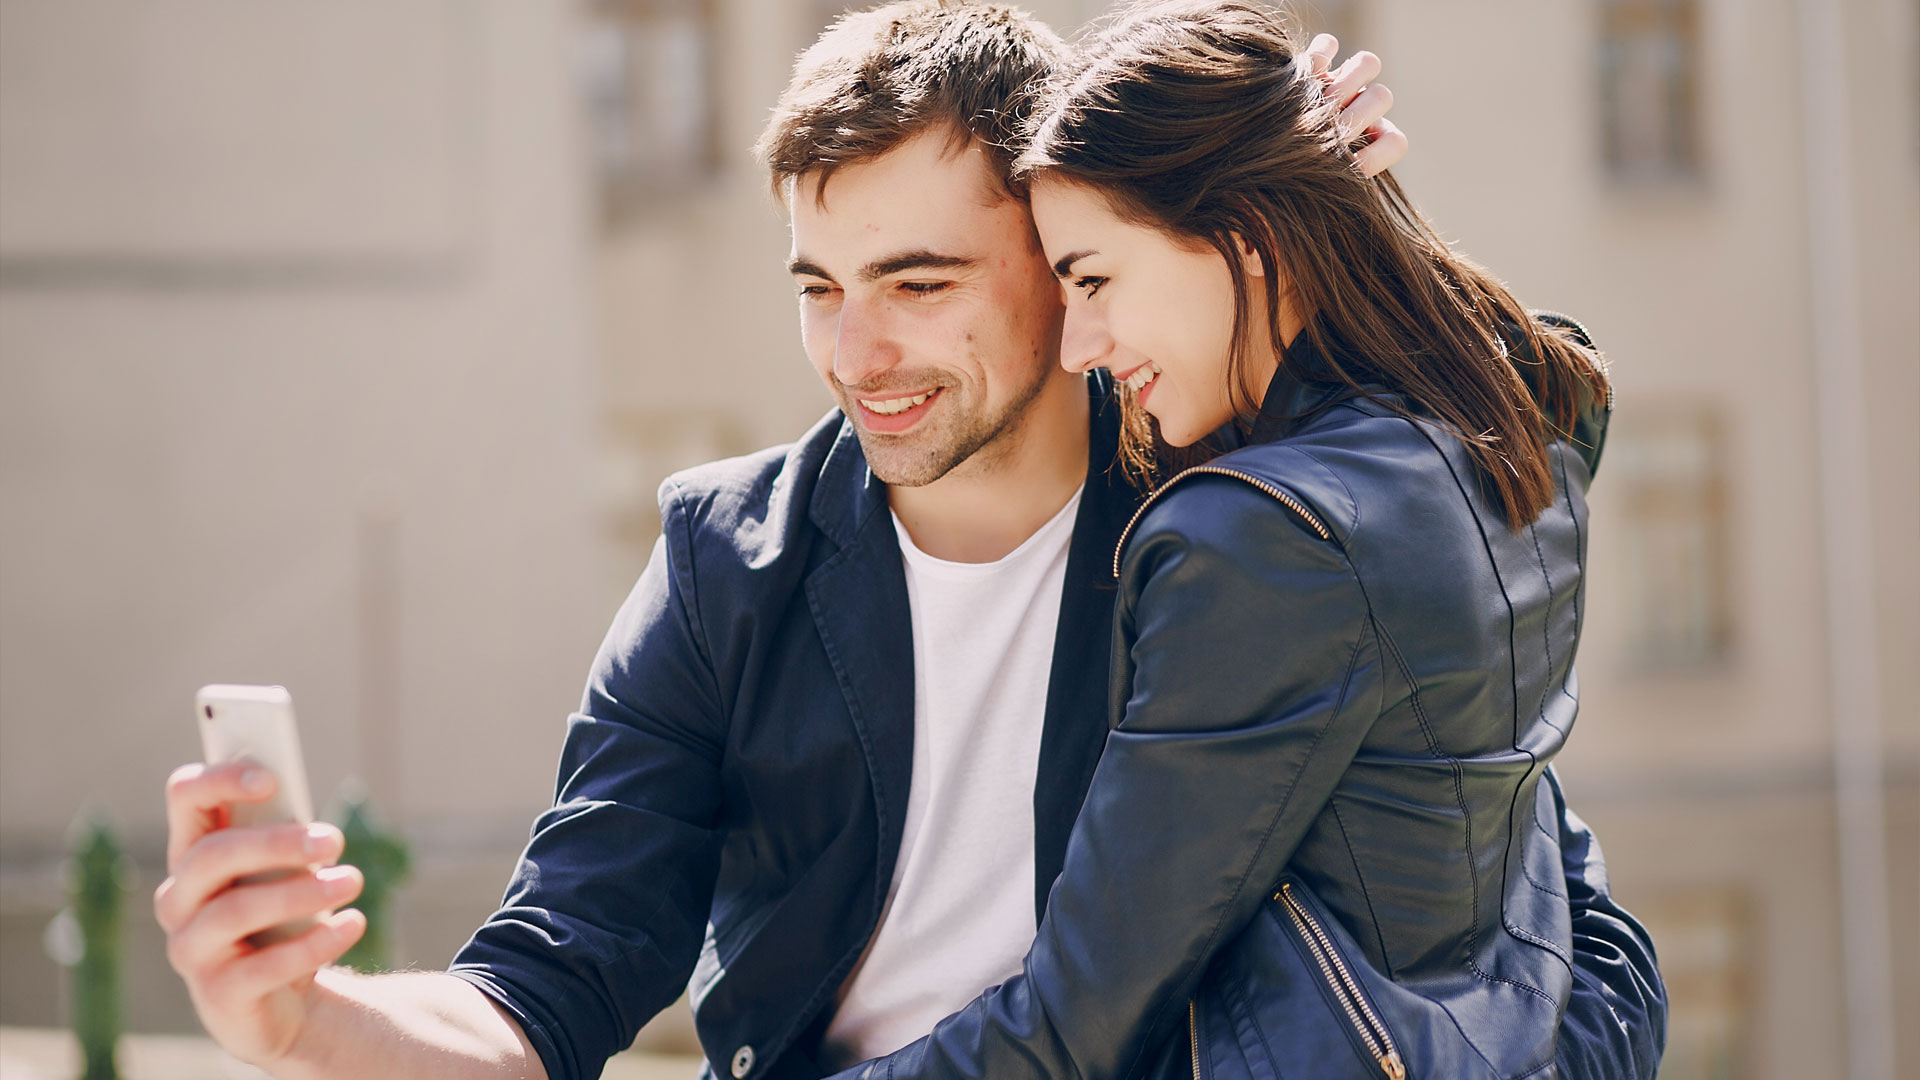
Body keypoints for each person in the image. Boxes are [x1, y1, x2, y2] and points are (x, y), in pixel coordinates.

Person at [152, 5, 1663, 1080]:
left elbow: (1511, 469)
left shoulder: (1235, 515)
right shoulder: (724, 568)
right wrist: (309, 1023)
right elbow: (552, 980)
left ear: (1068, 254)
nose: (855, 353)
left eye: (921, 281)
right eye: (819, 285)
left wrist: (1322, 207)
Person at [818, 2, 1648, 1079]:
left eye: (1095, 279)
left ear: (1247, 240)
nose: (1080, 346)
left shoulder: (1262, 543)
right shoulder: (1518, 427)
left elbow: (1072, 1025)